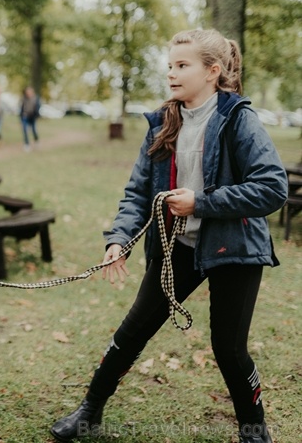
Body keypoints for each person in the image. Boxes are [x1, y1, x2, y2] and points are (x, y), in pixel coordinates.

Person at [49, 29, 287, 443]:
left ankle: (255, 432)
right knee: (131, 333)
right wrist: (118, 240)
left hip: (234, 247)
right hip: (177, 246)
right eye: (170, 67)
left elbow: (272, 187)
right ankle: (88, 412)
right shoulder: (164, 122)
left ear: (213, 72)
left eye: (182, 66)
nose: (172, 74)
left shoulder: (239, 119)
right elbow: (138, 190)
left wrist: (202, 202)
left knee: (229, 349)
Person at [19, 86, 40, 151]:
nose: (28, 93)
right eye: (27, 92)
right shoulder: (24, 98)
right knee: (25, 130)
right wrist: (21, 116)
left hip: (32, 116)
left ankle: (36, 140)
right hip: (25, 116)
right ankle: (27, 144)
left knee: (34, 130)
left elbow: (38, 107)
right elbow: (21, 107)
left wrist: (36, 115)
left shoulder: (36, 98)